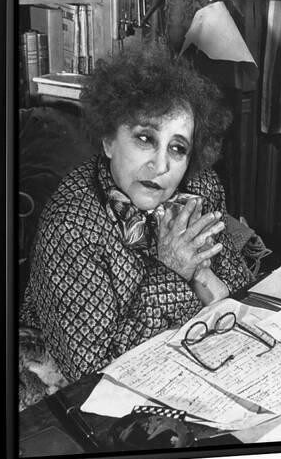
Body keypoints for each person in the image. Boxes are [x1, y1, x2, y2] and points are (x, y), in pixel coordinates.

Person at [20, 47, 251, 384]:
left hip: (191, 358)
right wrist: (173, 270)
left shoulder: (199, 189)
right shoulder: (70, 226)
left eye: (177, 148)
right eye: (145, 138)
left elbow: (241, 290)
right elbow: (91, 372)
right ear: (109, 140)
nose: (160, 167)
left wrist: (202, 276)